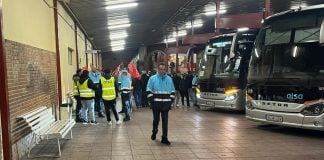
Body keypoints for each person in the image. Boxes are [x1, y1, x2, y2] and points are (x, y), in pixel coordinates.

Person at [147, 63, 175, 145]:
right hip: (156, 104)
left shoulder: (169, 79)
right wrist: (152, 102)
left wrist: (171, 101)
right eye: (161, 69)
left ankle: (164, 138)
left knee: (165, 121)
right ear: (158, 69)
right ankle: (154, 131)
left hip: (166, 104)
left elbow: (172, 91)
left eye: (164, 69)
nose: (162, 71)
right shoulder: (152, 79)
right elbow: (148, 90)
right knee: (156, 120)